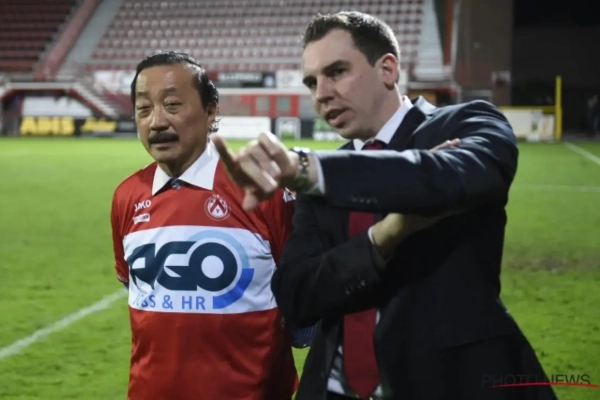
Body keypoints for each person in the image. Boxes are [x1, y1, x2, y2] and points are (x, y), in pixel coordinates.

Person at [212, 11, 558, 400]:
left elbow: (456, 177)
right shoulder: (320, 177)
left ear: (388, 69)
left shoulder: (468, 122)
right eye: (311, 82)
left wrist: (313, 170)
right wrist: (383, 238)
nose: (321, 93)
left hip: (448, 384)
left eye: (337, 72)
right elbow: (296, 297)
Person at [110, 51, 313, 400]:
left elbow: (305, 313)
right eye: (143, 109)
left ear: (211, 111)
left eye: (172, 105)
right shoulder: (127, 196)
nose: (156, 122)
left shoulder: (261, 189)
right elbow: (134, 288)